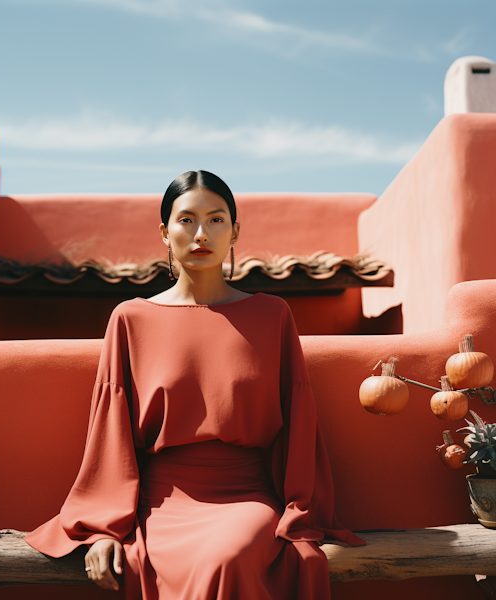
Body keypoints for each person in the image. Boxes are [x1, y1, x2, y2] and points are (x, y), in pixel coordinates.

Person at [24, 170, 365, 599]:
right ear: (165, 233)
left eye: (216, 219)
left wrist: (301, 512)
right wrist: (104, 528)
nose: (201, 233)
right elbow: (113, 431)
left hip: (246, 498)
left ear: (235, 231)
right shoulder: (131, 319)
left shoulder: (272, 315)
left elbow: (298, 423)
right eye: (186, 220)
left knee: (227, 557)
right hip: (163, 504)